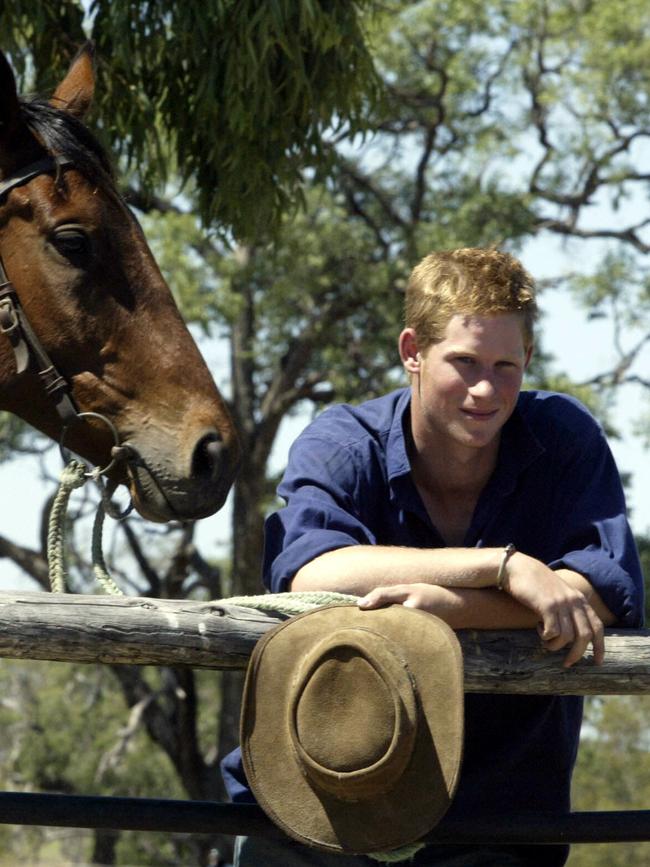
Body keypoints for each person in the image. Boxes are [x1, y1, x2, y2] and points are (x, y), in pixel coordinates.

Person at [223, 247, 644, 866]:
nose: (485, 388)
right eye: (464, 362)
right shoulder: (342, 443)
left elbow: (600, 594)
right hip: (321, 799)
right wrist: (503, 568)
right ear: (411, 351)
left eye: (506, 364)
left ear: (528, 358)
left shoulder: (565, 437)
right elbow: (310, 572)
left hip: (500, 815)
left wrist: (447, 607)